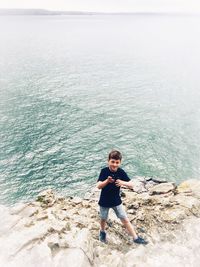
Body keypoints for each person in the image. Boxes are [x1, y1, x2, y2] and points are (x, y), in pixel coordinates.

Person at [97, 150, 148, 245]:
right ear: (108, 161)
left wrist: (122, 183)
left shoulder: (121, 172)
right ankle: (102, 232)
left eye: (117, 162)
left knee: (124, 219)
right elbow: (99, 186)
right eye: (112, 162)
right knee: (103, 218)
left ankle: (135, 238)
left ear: (120, 162)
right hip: (104, 201)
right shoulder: (104, 171)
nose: (115, 164)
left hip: (117, 201)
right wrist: (107, 181)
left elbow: (132, 184)